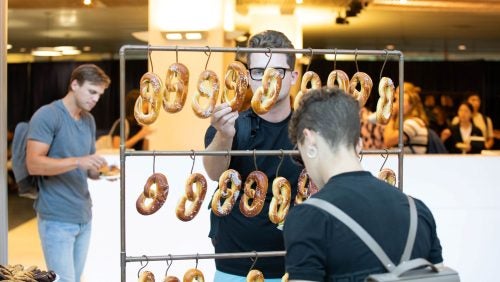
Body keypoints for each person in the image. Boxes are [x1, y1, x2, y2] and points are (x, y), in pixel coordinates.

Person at [284, 87, 443, 281]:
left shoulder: (308, 218)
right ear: (358, 143)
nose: (306, 167)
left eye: (301, 155)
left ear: (309, 140)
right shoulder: (418, 211)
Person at [203, 30, 302, 281]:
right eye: (259, 72)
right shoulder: (231, 124)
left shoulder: (311, 130)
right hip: (234, 265)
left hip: (298, 263)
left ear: (293, 77)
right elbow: (215, 173)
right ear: (248, 77)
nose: (267, 80)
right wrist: (223, 135)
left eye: (277, 71)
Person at [26, 64, 111, 282]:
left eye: (99, 95)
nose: (95, 99)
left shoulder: (88, 120)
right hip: (56, 218)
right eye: (92, 92)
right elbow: (34, 164)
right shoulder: (48, 115)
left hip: (83, 215)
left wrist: (98, 170)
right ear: (74, 84)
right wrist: (78, 161)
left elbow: (87, 168)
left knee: (74, 279)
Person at [383, 82, 429, 154]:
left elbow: (388, 140)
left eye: (399, 100)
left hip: (411, 164)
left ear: (411, 103)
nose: (395, 103)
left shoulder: (413, 123)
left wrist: (391, 117)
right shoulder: (408, 122)